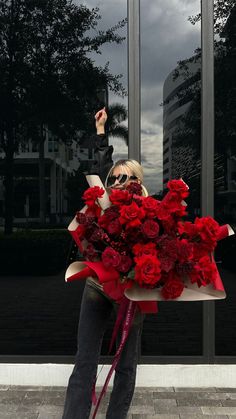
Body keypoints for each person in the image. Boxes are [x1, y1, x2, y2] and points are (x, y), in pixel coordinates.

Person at [62, 108, 147, 419]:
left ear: (138, 181)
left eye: (127, 178)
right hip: (97, 286)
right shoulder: (105, 205)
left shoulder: (151, 214)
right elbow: (100, 167)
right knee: (85, 359)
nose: (119, 183)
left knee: (126, 364)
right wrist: (100, 130)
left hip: (131, 294)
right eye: (115, 178)